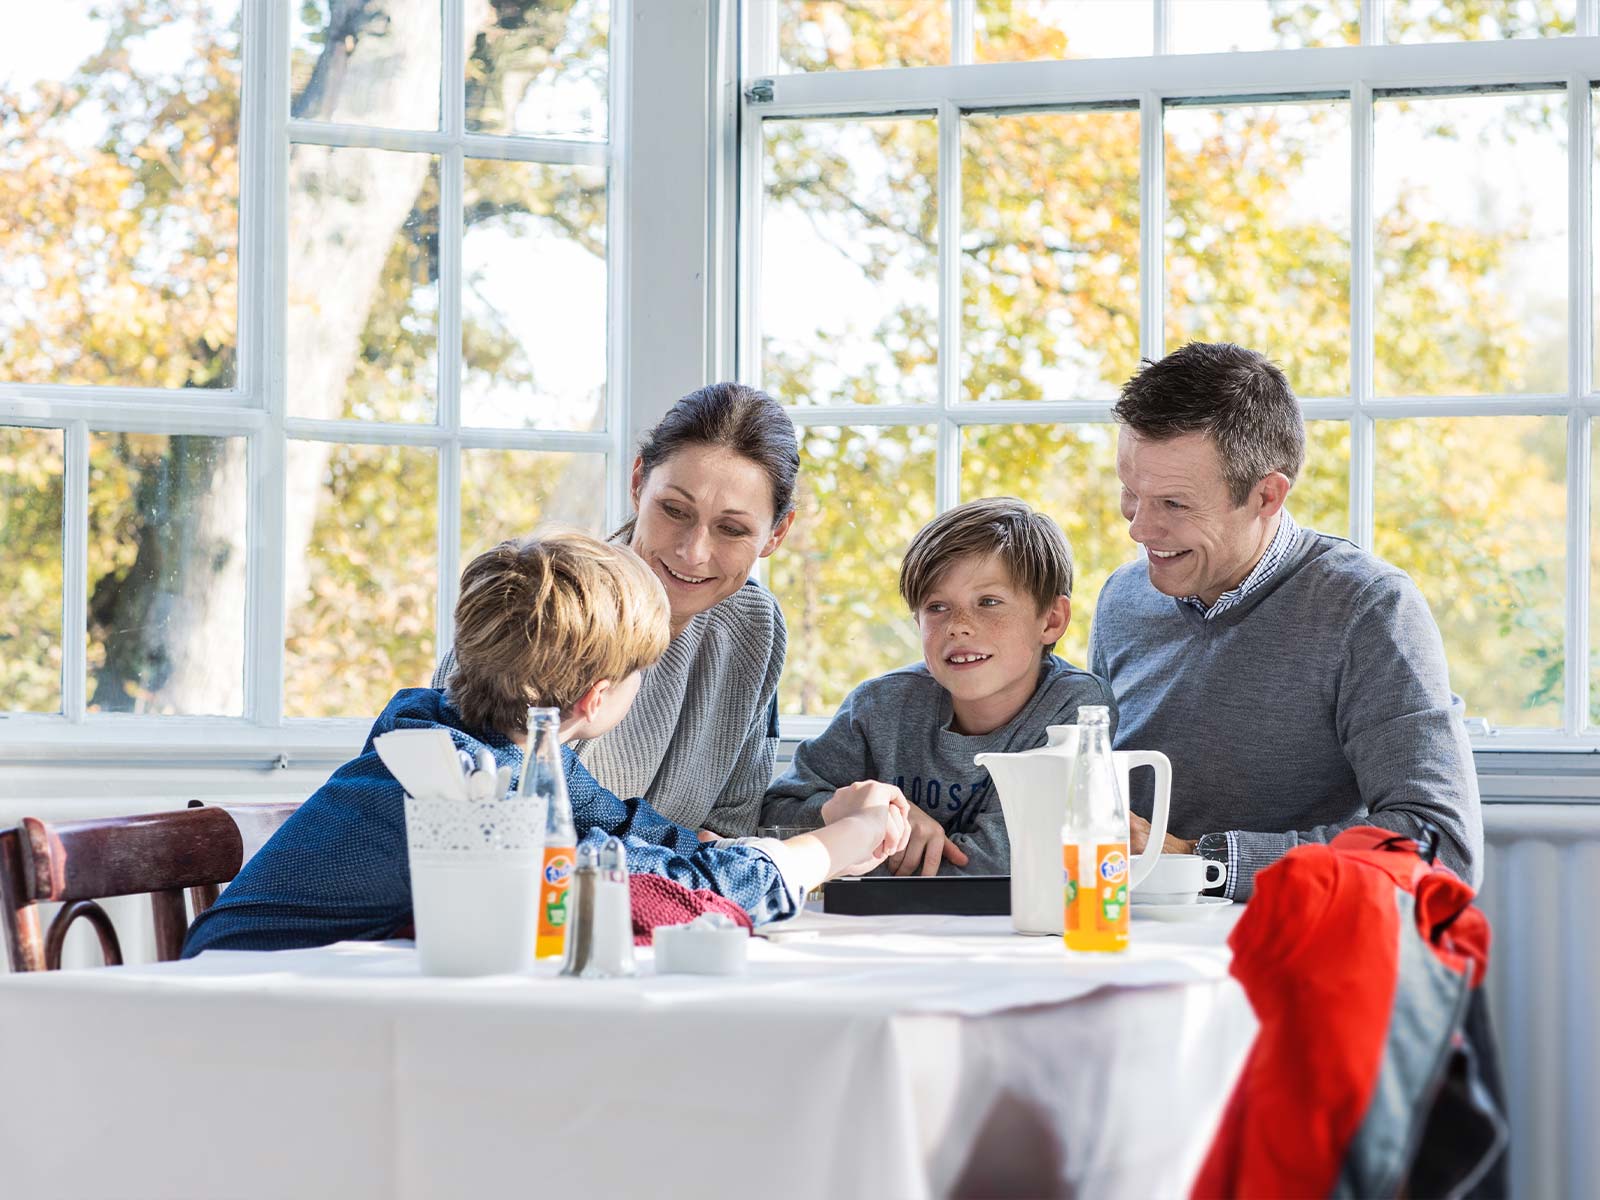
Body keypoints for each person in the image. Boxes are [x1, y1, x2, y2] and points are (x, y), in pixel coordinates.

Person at [183, 533, 907, 956]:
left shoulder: (479, 742)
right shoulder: (458, 789)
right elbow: (654, 887)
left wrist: (714, 846)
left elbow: (629, 830)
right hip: (243, 1021)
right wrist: (832, 846)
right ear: (596, 698)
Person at [1089, 341, 1483, 901]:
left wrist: (1205, 863)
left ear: (1266, 495)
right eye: (1131, 493)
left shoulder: (1370, 609)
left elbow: (1440, 850)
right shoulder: (1122, 599)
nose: (1139, 529)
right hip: (1129, 933)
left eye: (1174, 504)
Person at [435, 383, 796, 837]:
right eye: (674, 510)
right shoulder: (546, 603)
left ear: (776, 534)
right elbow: (478, 819)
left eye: (732, 529)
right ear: (638, 483)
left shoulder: (754, 626)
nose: (693, 552)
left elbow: (728, 833)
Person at [762, 498, 1116, 875]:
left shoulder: (1078, 709)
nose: (958, 626)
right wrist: (859, 816)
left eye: (988, 602)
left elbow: (1002, 865)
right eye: (937, 607)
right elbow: (775, 819)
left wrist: (862, 851)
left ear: (1052, 620)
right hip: (875, 913)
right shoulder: (879, 707)